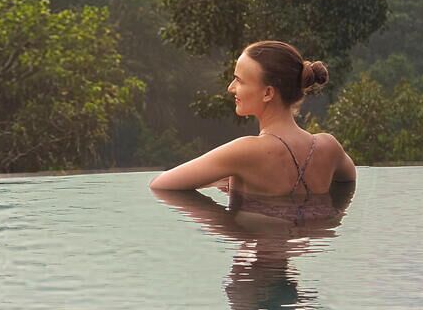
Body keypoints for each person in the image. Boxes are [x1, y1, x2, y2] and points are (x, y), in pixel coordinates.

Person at [148, 38, 355, 211]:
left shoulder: (245, 151)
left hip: (256, 246)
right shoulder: (329, 146)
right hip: (302, 249)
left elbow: (161, 185)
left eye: (239, 80)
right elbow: (348, 181)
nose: (231, 88)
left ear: (267, 93)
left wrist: (228, 226)